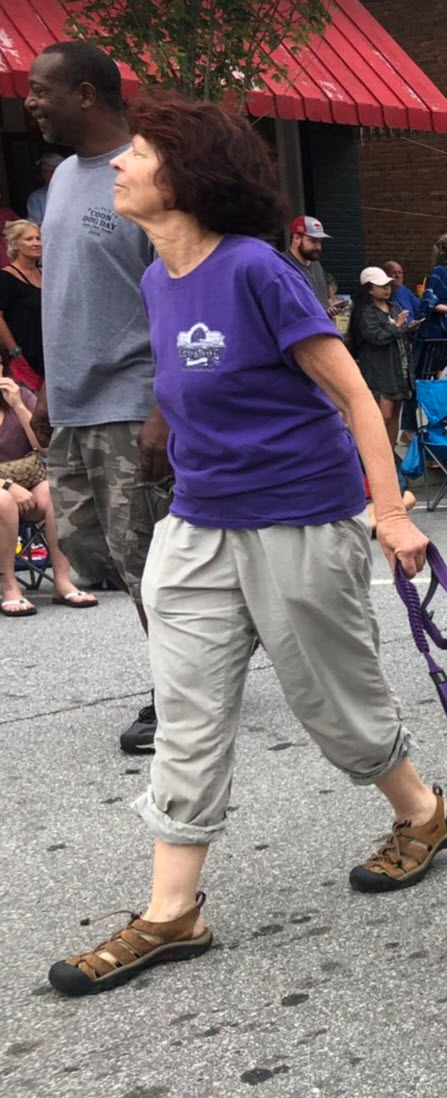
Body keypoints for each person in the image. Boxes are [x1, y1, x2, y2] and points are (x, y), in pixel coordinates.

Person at [46, 93, 447, 998]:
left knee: (334, 703)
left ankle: (422, 814)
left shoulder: (259, 271)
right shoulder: (156, 277)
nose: (118, 163)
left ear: (189, 174)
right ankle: (173, 911)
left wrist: (389, 516)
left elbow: (356, 398)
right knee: (185, 713)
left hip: (301, 518)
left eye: (140, 151)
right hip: (197, 526)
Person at [27, 41, 164, 752]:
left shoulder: (144, 170)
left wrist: (165, 405)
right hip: (72, 404)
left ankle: (178, 693)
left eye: (40, 90)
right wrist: (50, 383)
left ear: (84, 93)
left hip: (131, 400)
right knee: (90, 552)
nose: (29, 102)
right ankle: (215, 640)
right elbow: (69, 291)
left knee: (146, 560)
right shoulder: (59, 181)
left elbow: (181, 290)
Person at [3, 373, 95, 616]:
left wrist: (18, 406)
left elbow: (44, 447)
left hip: (27, 479)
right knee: (3, 501)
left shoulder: (20, 395)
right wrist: (7, 486)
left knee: (55, 492)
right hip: (5, 490)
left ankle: (62, 581)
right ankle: (9, 585)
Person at [347, 266, 413, 450]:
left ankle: (390, 451)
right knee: (383, 415)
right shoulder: (366, 312)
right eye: (382, 286)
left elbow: (399, 333)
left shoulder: (393, 307)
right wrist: (397, 326)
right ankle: (375, 451)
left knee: (395, 415)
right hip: (380, 369)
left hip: (400, 365)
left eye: (388, 285)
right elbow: (376, 337)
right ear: (369, 289)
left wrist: (408, 328)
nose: (387, 289)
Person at [0, 220, 45, 391]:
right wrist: (14, 351)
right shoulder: (6, 278)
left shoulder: (45, 273)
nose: (36, 243)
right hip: (24, 357)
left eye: (38, 238)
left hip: (49, 355)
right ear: (15, 244)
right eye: (29, 239)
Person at [285, 214, 335, 321]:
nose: (318, 247)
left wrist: (329, 309)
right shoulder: (282, 265)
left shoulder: (316, 264)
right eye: (313, 241)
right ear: (297, 238)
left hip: (322, 328)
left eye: (320, 241)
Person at [25, 151, 64, 224]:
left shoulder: (75, 193)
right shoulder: (36, 198)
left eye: (52, 171)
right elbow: (35, 226)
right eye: (44, 171)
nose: (48, 176)